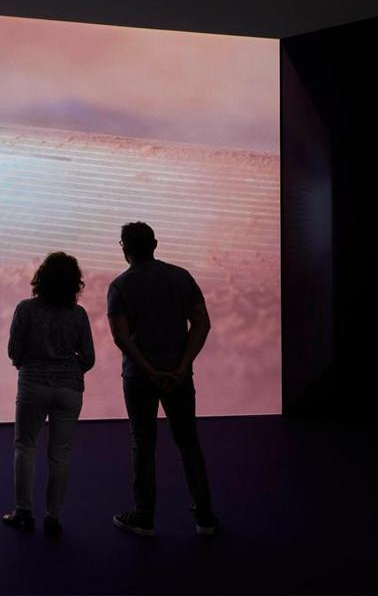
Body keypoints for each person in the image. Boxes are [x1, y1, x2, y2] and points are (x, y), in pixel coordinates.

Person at [107, 222, 219, 537]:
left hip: (139, 377)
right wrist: (183, 365)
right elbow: (201, 323)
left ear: (124, 248)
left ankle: (144, 516)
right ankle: (205, 516)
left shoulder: (120, 286)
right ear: (155, 244)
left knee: (143, 442)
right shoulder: (180, 277)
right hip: (179, 376)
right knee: (188, 443)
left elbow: (121, 338)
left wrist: (147, 368)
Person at [3, 251, 95, 537]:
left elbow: (13, 350)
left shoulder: (26, 309)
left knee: (25, 447)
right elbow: (89, 357)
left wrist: (26, 364)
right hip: (69, 389)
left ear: (41, 278)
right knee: (60, 455)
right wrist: (71, 369)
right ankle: (53, 517)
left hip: (33, 384)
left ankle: (23, 511)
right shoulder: (78, 314)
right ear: (74, 284)